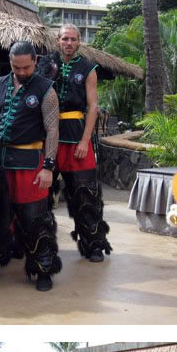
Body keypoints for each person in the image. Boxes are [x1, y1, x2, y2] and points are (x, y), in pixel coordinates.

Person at [0, 40, 62, 291]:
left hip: (30, 164)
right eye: (16, 67)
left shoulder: (46, 89)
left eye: (26, 67)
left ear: (35, 62)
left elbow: (52, 130)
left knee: (34, 219)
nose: (20, 72)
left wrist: (48, 167)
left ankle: (43, 270)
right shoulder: (0, 83)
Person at [49, 24, 112, 263]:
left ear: (79, 42)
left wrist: (85, 141)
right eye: (65, 38)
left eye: (73, 39)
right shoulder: (46, 64)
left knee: (86, 194)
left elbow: (93, 107)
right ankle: (33, 244)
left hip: (77, 137)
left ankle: (93, 243)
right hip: (49, 136)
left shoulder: (88, 68)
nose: (69, 43)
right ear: (58, 41)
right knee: (40, 194)